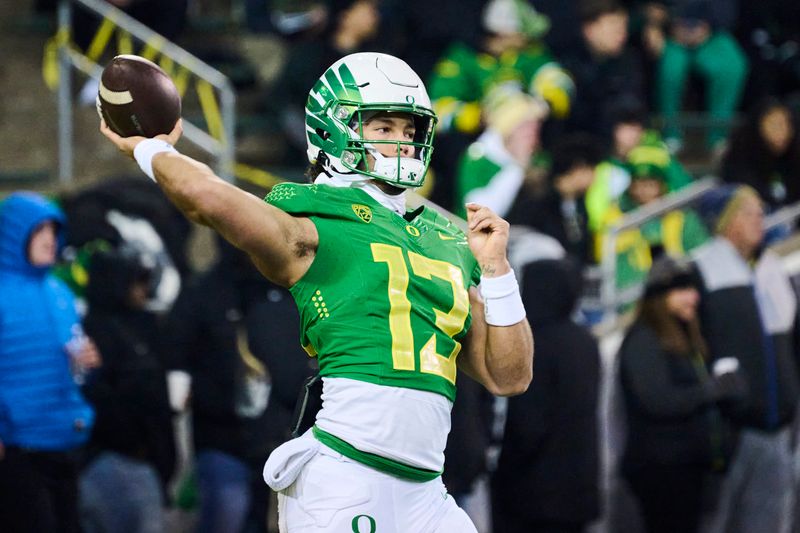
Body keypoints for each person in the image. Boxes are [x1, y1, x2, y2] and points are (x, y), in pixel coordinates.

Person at [100, 52, 533, 532]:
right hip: (348, 478)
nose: (402, 145)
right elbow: (207, 198)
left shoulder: (447, 238)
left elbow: (507, 376)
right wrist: (151, 149)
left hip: (427, 490)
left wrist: (497, 273)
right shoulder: (314, 224)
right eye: (384, 128)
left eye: (409, 132)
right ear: (333, 129)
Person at [693, 184, 799, 533]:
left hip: (777, 428)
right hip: (729, 431)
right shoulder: (702, 268)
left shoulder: (771, 268)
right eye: (749, 211)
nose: (760, 219)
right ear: (725, 220)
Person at [618, 255, 744, 533]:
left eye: (694, 289)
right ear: (661, 296)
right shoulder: (644, 339)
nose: (694, 298)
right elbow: (658, 400)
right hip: (661, 470)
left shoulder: (685, 335)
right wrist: (711, 390)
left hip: (688, 466)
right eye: (684, 290)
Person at [0, 191, 100, 533]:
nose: (49, 239)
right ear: (15, 234)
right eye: (38, 230)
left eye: (52, 230)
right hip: (18, 447)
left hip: (67, 441)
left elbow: (74, 362)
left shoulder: (60, 292)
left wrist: (89, 362)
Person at [491, 255, 601, 533]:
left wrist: (502, 473)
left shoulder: (534, 343)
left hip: (535, 493)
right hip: (579, 487)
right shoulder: (585, 341)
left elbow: (529, 425)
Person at [78, 247, 176, 533]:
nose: (144, 290)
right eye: (137, 281)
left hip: (141, 459)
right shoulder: (96, 332)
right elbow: (99, 396)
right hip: (117, 461)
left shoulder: (143, 327)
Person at [507, 133, 604, 265]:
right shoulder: (537, 202)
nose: (594, 177)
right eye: (591, 170)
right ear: (577, 168)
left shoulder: (579, 204)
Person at [453, 89, 548, 218]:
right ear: (510, 129)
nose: (533, 135)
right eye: (526, 128)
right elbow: (480, 213)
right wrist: (517, 168)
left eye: (535, 128)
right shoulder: (478, 157)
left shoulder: (537, 155)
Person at [721, 98, 800, 209]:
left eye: (785, 124)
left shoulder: (794, 155)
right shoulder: (740, 157)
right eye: (773, 124)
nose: (782, 131)